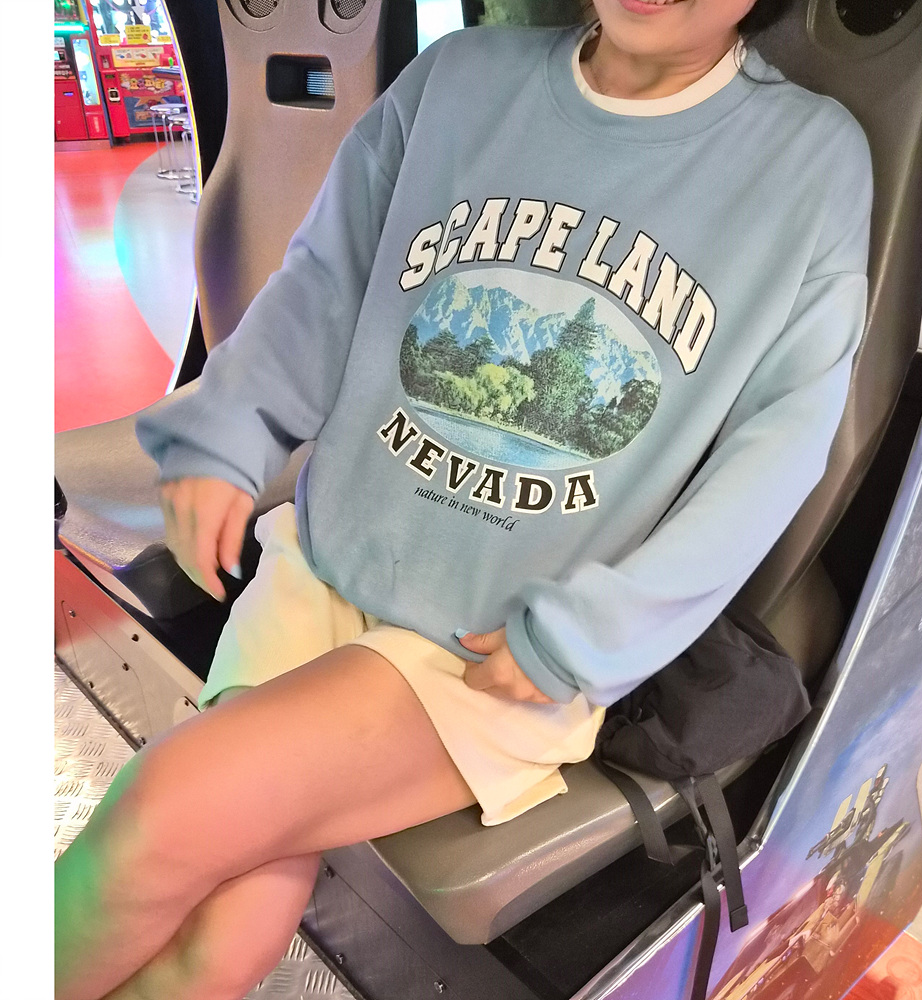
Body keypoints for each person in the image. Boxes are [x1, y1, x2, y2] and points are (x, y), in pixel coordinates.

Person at [54, 1, 873, 997]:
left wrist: (591, 634)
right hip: (328, 564)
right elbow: (325, 284)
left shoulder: (806, 159)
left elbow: (776, 451)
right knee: (227, 932)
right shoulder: (458, 80)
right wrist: (227, 434)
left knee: (160, 815)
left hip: (486, 650)